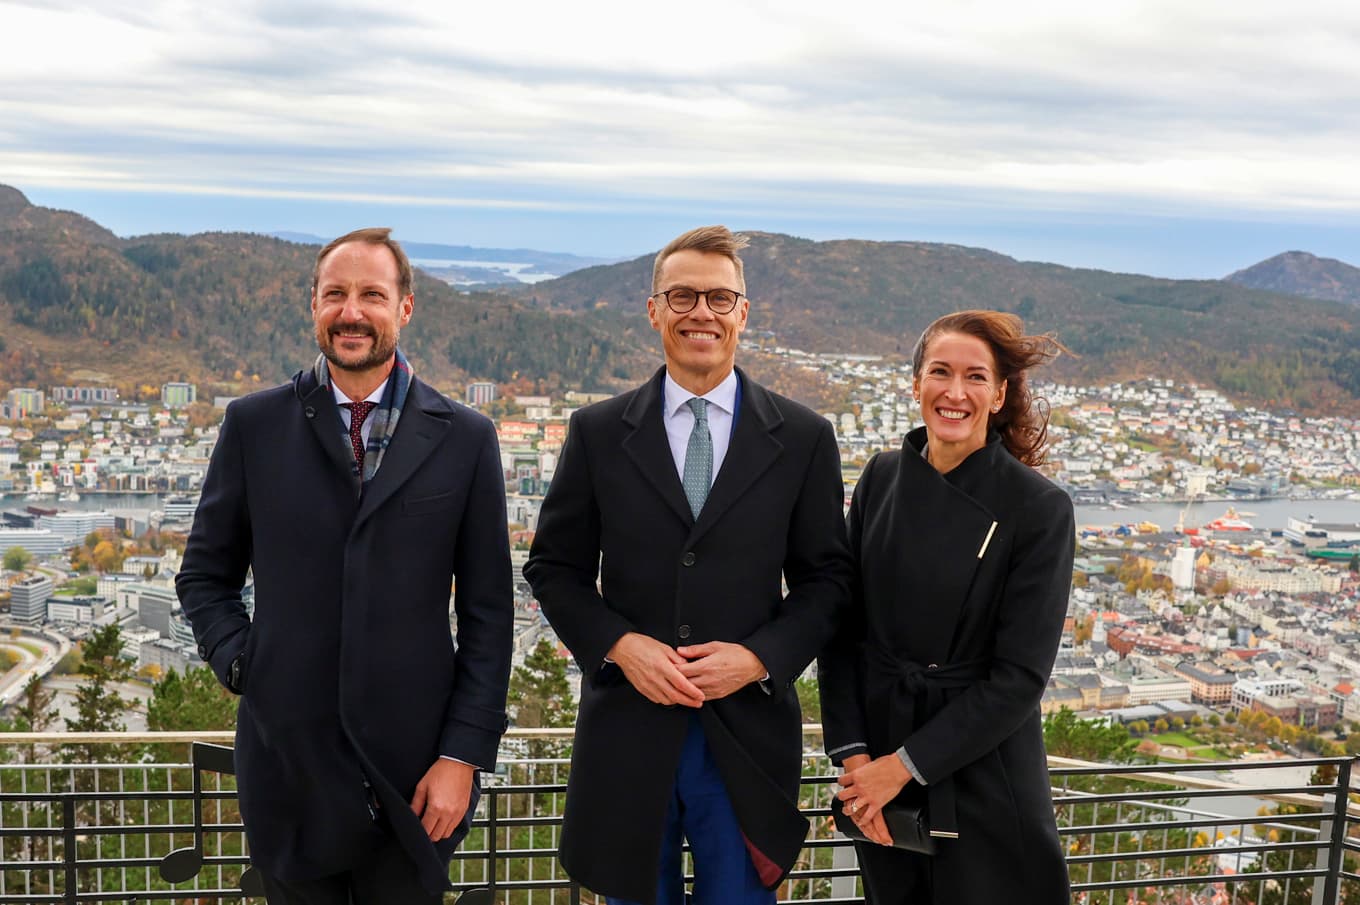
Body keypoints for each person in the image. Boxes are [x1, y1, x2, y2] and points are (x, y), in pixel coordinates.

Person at [176, 227, 514, 904]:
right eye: (336, 293)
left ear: (406, 307)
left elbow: (488, 614)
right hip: (288, 772)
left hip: (416, 779)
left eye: (371, 294)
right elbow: (203, 574)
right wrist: (244, 662)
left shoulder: (466, 438)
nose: (351, 311)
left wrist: (462, 756)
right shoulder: (254, 424)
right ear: (314, 305)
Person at [523, 225, 852, 905]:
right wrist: (621, 645)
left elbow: (829, 581)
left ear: (743, 313)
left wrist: (758, 658)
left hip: (747, 733)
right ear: (654, 310)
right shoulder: (597, 432)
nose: (701, 311)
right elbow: (553, 567)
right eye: (682, 295)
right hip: (629, 730)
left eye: (719, 298)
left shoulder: (802, 438)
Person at [818, 310, 1075, 904]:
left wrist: (902, 766)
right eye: (940, 372)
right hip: (880, 771)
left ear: (999, 393)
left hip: (981, 772)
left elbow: (1018, 679)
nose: (955, 392)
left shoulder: (1037, 508)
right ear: (915, 384)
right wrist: (857, 761)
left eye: (975, 377)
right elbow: (843, 632)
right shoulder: (881, 476)